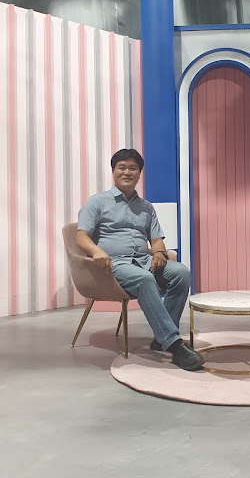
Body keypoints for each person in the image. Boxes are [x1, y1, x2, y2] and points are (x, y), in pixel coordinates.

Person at [76, 148, 204, 371]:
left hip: (142, 261)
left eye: (132, 168)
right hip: (112, 265)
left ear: (139, 173)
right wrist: (97, 251)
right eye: (121, 168)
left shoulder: (146, 207)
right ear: (113, 172)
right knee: (144, 279)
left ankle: (161, 339)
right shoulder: (97, 202)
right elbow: (81, 237)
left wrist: (160, 254)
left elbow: (157, 240)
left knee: (181, 273)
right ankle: (174, 345)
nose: (127, 172)